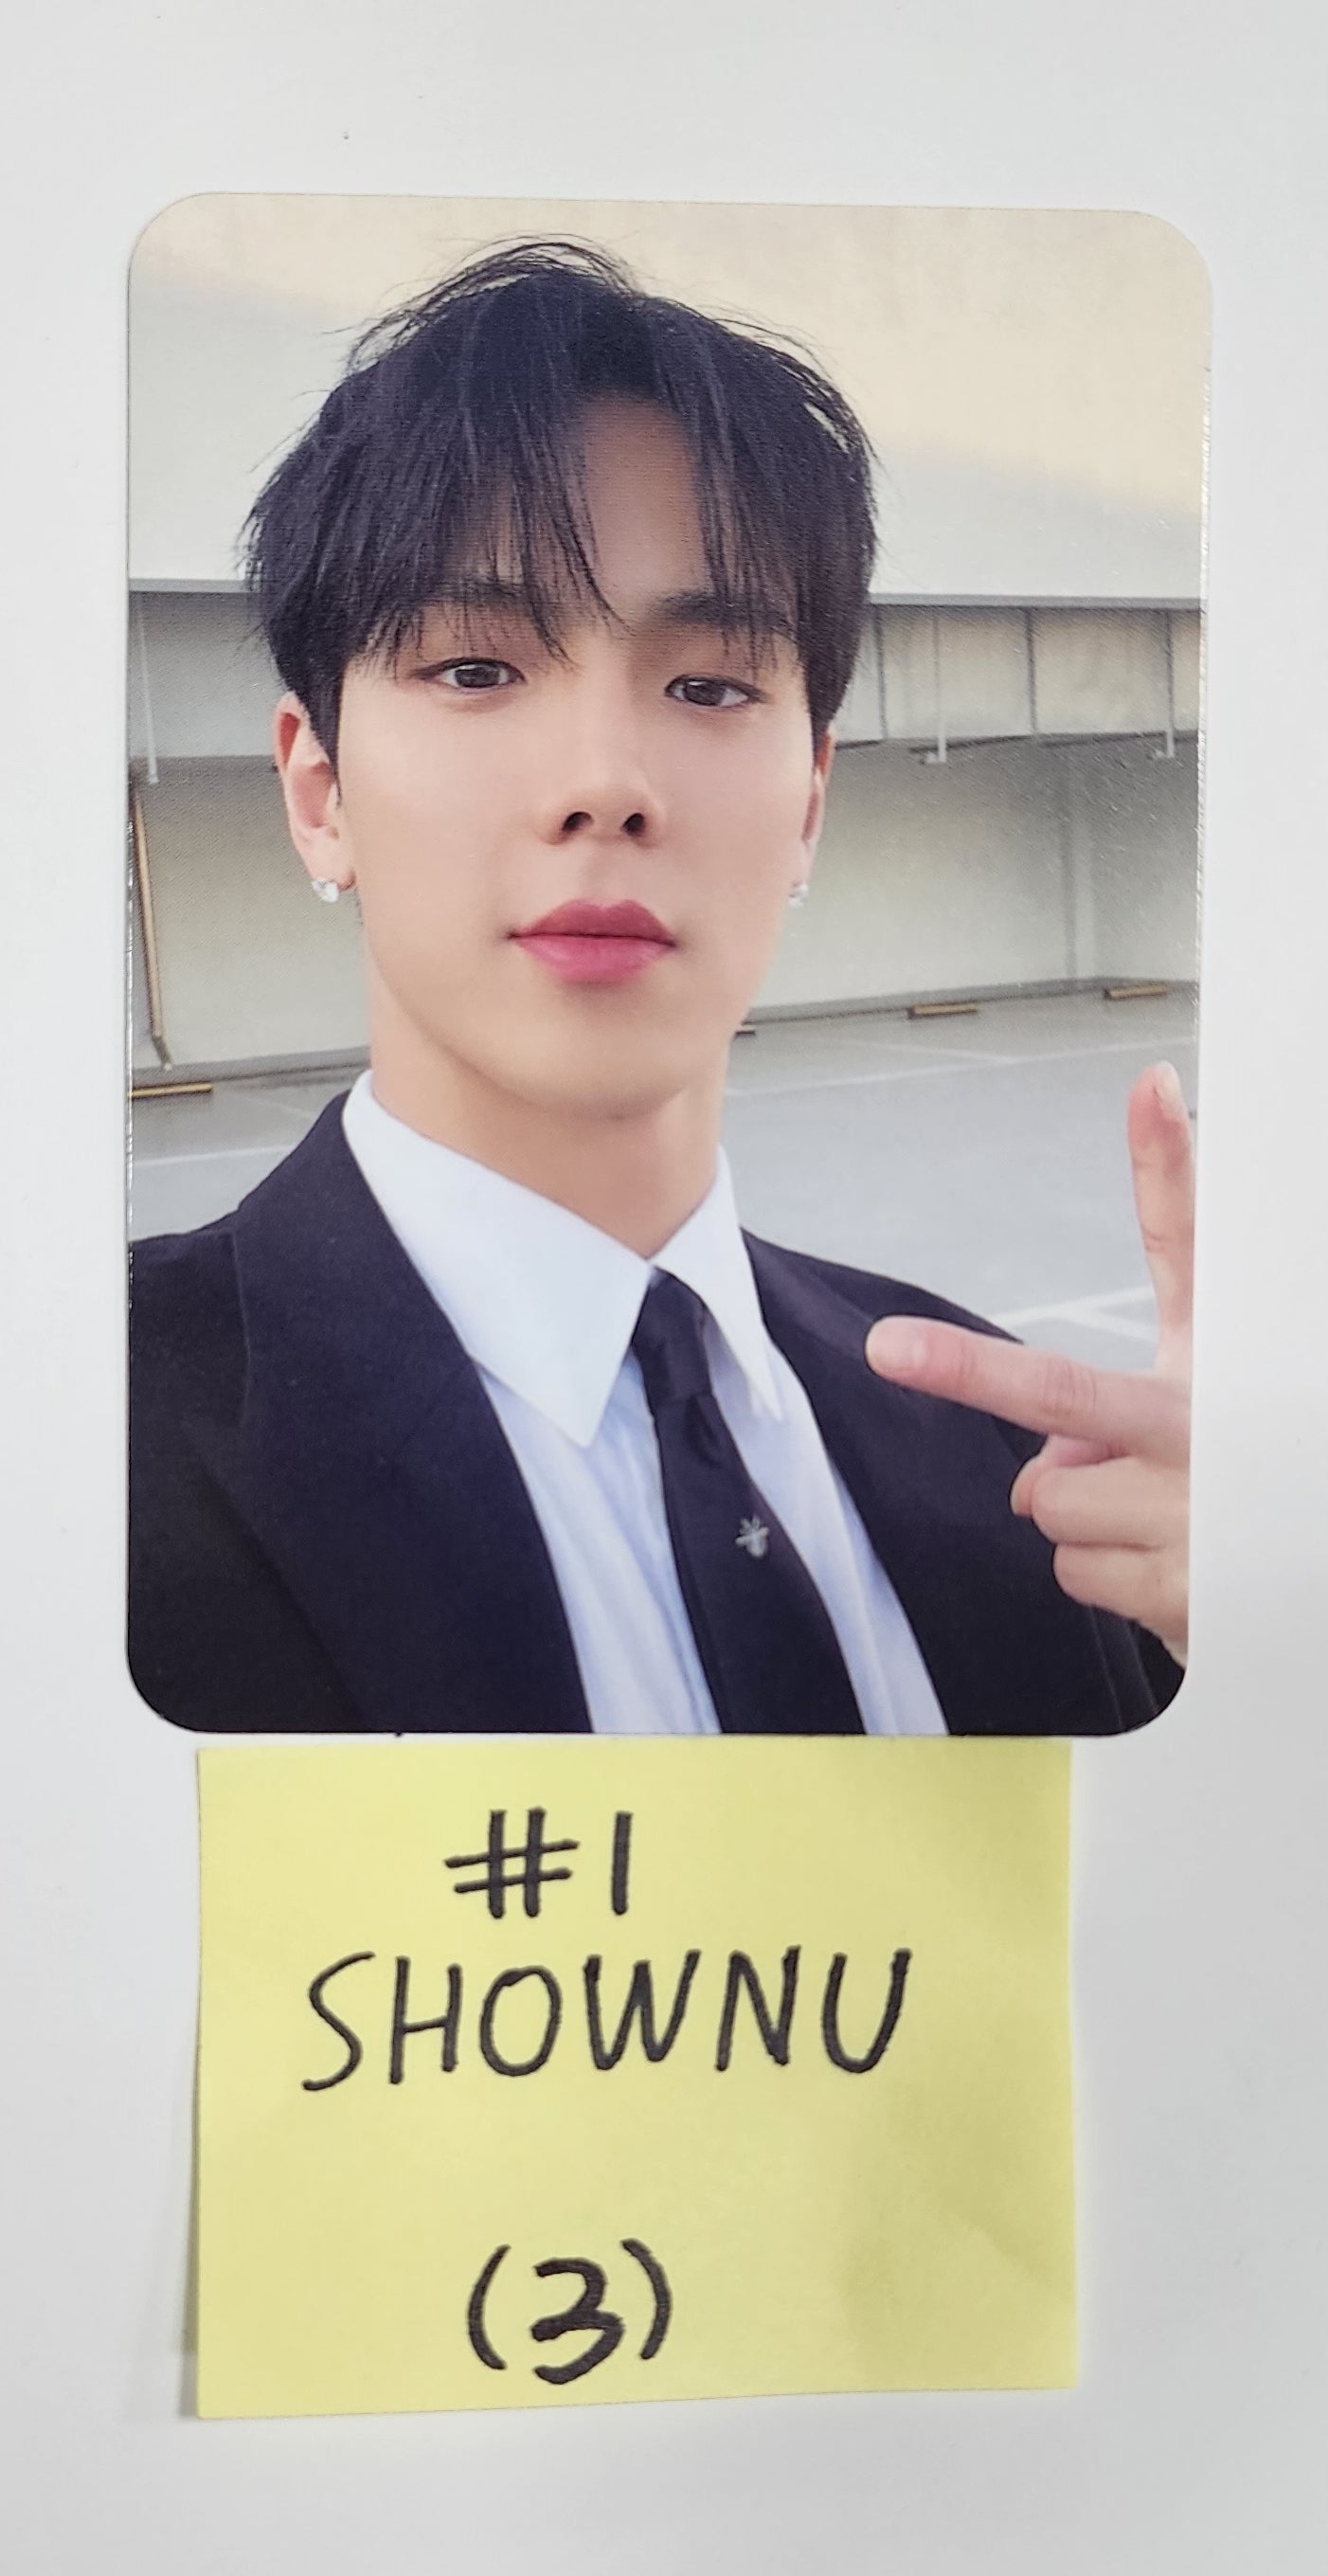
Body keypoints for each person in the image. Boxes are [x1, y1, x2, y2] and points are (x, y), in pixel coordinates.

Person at [128, 241, 1191, 1738]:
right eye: (475, 668)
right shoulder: (75, 1443)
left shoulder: (1015, 1458)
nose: (606, 782)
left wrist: (1259, 1687)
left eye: (708, 686)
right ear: (319, 794)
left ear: (808, 801)